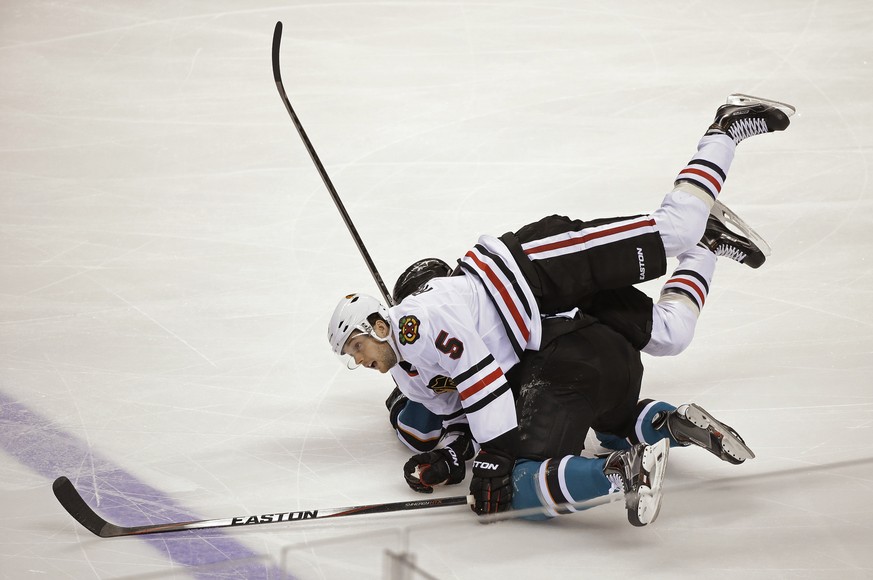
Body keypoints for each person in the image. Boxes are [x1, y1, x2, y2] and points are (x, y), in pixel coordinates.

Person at [328, 95, 793, 524]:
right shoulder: (410, 370)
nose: (356, 360)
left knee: (676, 228)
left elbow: (476, 378)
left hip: (540, 267)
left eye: (356, 346)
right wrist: (449, 457)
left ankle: (724, 130)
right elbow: (458, 414)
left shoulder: (419, 318)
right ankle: (707, 244)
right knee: (672, 334)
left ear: (380, 320)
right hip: (553, 314)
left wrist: (496, 454)